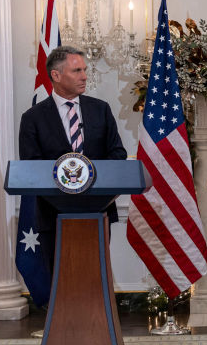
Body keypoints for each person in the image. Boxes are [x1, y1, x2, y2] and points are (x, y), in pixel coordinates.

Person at [19, 46, 127, 271]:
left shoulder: (101, 110)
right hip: (53, 214)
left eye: (84, 70)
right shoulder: (33, 118)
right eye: (77, 70)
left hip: (98, 209)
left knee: (95, 273)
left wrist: (92, 181)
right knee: (60, 274)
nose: (84, 76)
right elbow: (31, 166)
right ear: (56, 76)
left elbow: (118, 154)